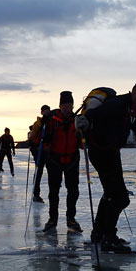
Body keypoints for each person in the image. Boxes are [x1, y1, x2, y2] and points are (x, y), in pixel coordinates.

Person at [80, 78, 136, 253]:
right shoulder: (117, 104)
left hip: (111, 153)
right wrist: (84, 121)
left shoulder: (131, 111)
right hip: (101, 152)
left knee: (111, 194)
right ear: (134, 91)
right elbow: (92, 116)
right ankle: (108, 238)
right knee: (120, 197)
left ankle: (99, 234)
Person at [42, 91, 82, 233]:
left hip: (72, 160)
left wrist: (85, 133)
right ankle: (53, 219)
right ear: (60, 106)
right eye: (65, 106)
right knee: (54, 192)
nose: (68, 109)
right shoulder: (52, 120)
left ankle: (71, 218)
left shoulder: (77, 120)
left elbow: (82, 144)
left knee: (73, 191)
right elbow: (43, 139)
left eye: (70, 106)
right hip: (55, 160)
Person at [28, 104, 51, 202]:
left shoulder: (52, 122)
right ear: (41, 112)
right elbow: (32, 138)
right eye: (44, 110)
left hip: (49, 151)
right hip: (39, 151)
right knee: (39, 172)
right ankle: (36, 194)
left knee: (51, 171)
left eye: (47, 110)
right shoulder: (37, 124)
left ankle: (52, 194)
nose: (46, 112)